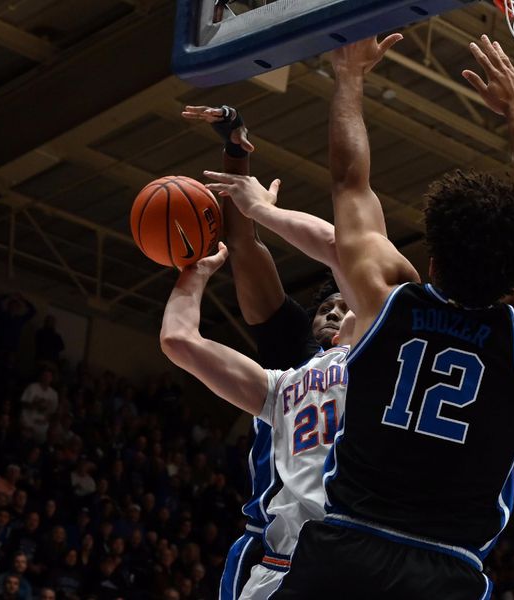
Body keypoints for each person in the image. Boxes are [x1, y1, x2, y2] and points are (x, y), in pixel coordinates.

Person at [264, 34, 514, 599]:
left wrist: (349, 75)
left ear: (429, 259)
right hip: (443, 572)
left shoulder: (387, 300)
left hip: (345, 549)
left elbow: (349, 181)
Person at [179, 104, 352, 600]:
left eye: (346, 306)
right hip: (277, 545)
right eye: (328, 306)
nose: (337, 313)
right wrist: (236, 152)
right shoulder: (290, 346)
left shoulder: (384, 356)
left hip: (349, 545)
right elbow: (242, 241)